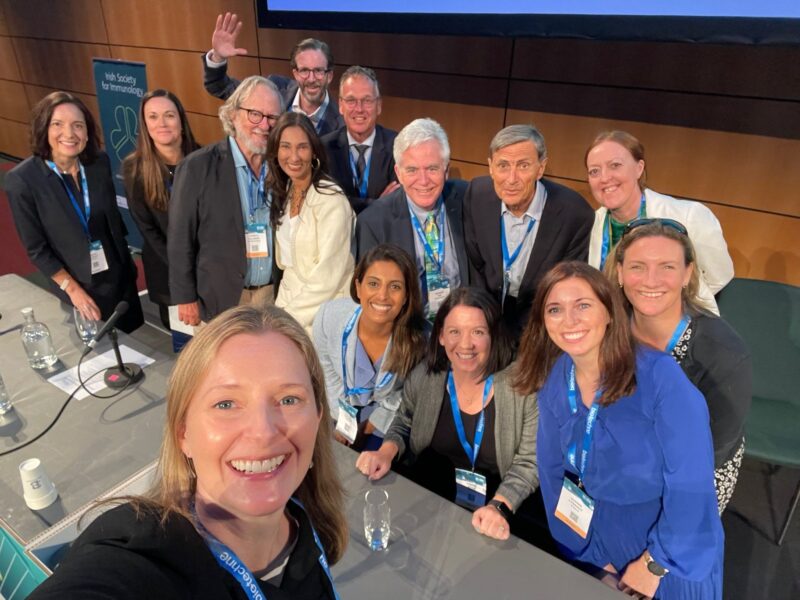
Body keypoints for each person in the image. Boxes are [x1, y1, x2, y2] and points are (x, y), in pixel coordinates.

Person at [29, 303, 347, 599]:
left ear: (318, 416)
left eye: (289, 399)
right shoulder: (143, 553)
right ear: (184, 433)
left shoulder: (314, 526)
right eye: (226, 404)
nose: (263, 431)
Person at [516, 261, 723, 599]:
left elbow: (692, 486)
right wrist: (587, 554)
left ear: (610, 311)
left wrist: (653, 564)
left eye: (583, 305)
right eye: (555, 309)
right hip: (594, 538)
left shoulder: (660, 379)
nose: (569, 320)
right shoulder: (557, 375)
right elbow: (552, 472)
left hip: (667, 548)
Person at [356, 287, 538, 541]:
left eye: (478, 332)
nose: (465, 344)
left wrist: (499, 506)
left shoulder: (522, 386)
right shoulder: (426, 375)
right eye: (454, 332)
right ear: (441, 336)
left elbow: (529, 462)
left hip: (495, 519)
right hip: (430, 509)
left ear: (494, 335)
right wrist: (385, 452)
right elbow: (404, 419)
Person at [608, 218, 751, 513]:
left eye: (667, 267)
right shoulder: (607, 327)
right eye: (638, 266)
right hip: (616, 456)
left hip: (690, 479)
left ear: (687, 274)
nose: (651, 280)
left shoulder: (722, 352)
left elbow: (713, 454)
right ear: (620, 272)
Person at [6, 91, 143, 333]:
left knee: (135, 344)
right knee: (98, 351)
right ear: (43, 129)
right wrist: (72, 289)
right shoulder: (22, 180)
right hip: (77, 282)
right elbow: (37, 249)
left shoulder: (98, 162)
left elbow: (112, 219)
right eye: (57, 124)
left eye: (77, 125)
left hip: (118, 274)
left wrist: (128, 266)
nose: (69, 134)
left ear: (87, 132)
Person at [169, 76, 283, 326]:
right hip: (221, 299)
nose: (264, 125)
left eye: (272, 117)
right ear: (232, 115)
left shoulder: (281, 166)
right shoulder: (197, 167)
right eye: (255, 114)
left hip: (273, 296)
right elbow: (180, 238)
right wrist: (185, 297)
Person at [585, 129, 734, 314]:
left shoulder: (690, 216)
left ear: (639, 168)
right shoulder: (588, 225)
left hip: (678, 326)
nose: (605, 178)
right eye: (594, 171)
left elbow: (719, 275)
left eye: (615, 165)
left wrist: (661, 300)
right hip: (614, 330)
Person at [464, 124, 594, 335]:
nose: (511, 178)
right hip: (488, 317)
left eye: (523, 166)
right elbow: (476, 264)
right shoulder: (477, 195)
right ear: (490, 167)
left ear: (540, 168)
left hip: (540, 324)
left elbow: (566, 286)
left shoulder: (575, 214)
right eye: (503, 165)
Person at [313, 244, 427, 451]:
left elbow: (403, 396)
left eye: (395, 287)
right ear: (358, 287)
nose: (382, 296)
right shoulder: (328, 317)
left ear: (407, 296)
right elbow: (328, 372)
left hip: (388, 415)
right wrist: (343, 423)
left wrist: (367, 427)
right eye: (373, 284)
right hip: (339, 406)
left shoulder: (420, 340)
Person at [356, 118, 469, 319]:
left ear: (446, 170)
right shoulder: (373, 222)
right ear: (398, 173)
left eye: (432, 169)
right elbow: (371, 299)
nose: (423, 181)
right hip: (408, 330)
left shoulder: (467, 200)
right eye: (412, 170)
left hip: (460, 326)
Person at [268, 112, 356, 333]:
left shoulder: (331, 199)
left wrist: (287, 319)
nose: (294, 156)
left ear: (314, 150)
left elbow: (327, 277)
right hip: (287, 300)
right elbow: (288, 265)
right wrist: (280, 310)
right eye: (286, 146)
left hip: (322, 312)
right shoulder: (287, 189)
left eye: (302, 147)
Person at [122, 89, 199, 329]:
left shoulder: (204, 158)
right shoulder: (134, 168)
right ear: (145, 125)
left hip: (209, 268)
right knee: (187, 347)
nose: (162, 123)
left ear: (181, 121)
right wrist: (185, 274)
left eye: (169, 115)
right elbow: (149, 231)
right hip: (169, 273)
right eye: (153, 117)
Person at [203, 12, 343, 136]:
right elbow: (219, 87)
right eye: (304, 70)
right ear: (295, 73)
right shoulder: (274, 89)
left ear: (329, 76)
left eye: (318, 71)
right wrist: (218, 58)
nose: (311, 79)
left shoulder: (342, 121)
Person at [320, 66, 399, 214]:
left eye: (367, 100)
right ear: (341, 106)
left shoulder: (397, 146)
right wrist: (378, 204)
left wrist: (345, 201)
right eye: (351, 100)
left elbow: (397, 204)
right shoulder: (324, 148)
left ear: (379, 106)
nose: (359, 108)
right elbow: (326, 203)